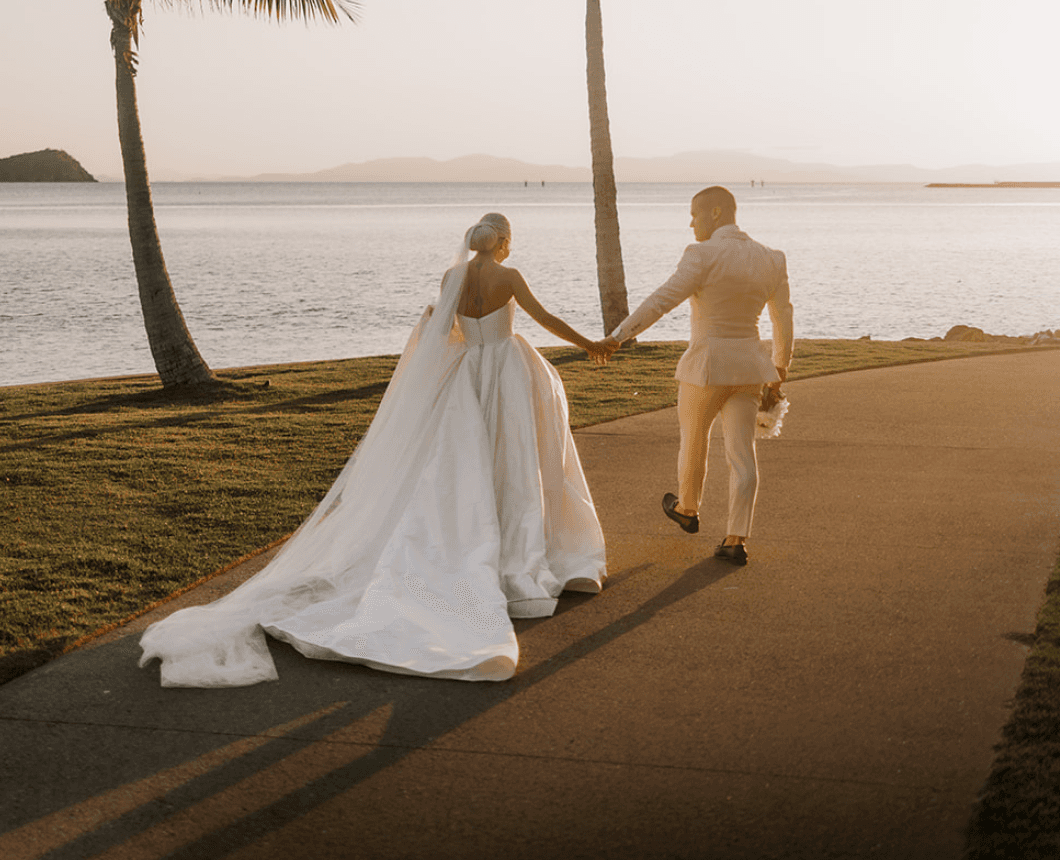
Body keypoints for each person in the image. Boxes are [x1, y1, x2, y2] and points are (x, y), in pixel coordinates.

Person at [139, 213, 608, 686]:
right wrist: (589, 343)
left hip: (466, 375)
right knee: (513, 459)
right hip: (505, 371)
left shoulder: (453, 276)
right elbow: (545, 318)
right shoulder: (509, 276)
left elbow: (444, 331)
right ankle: (515, 554)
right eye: (509, 241)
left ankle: (478, 542)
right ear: (502, 242)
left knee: (464, 464)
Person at [600, 187, 792, 565]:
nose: (691, 223)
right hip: (750, 367)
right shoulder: (771, 258)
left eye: (694, 214)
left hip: (706, 367)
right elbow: (782, 316)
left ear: (716, 212)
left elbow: (662, 300)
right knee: (743, 455)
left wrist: (618, 336)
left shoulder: (702, 254)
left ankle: (688, 509)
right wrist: (780, 366)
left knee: (694, 439)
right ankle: (736, 539)